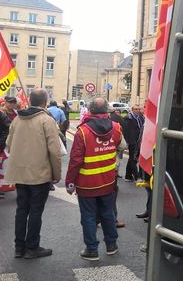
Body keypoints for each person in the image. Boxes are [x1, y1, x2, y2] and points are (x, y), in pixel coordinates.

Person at [5, 89, 63, 259]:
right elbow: (54, 151)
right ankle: (32, 247)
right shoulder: (47, 120)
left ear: (30, 100)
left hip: (20, 173)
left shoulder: (16, 119)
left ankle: (19, 247)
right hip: (40, 173)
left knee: (21, 209)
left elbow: (9, 144)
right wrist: (56, 173)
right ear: (45, 102)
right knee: (36, 211)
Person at [65, 98, 124, 261]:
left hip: (87, 183)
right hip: (108, 181)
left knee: (89, 217)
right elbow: (119, 147)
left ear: (90, 111)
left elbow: (75, 161)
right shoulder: (117, 128)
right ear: (107, 111)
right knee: (108, 213)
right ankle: (112, 245)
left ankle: (92, 250)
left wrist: (70, 182)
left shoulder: (83, 132)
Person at [123, 105, 144, 182]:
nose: (138, 110)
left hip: (139, 141)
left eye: (139, 109)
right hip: (132, 141)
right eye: (136, 109)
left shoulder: (140, 118)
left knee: (133, 159)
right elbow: (126, 130)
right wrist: (127, 141)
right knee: (133, 158)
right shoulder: (128, 118)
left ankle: (128, 176)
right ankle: (137, 176)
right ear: (132, 110)